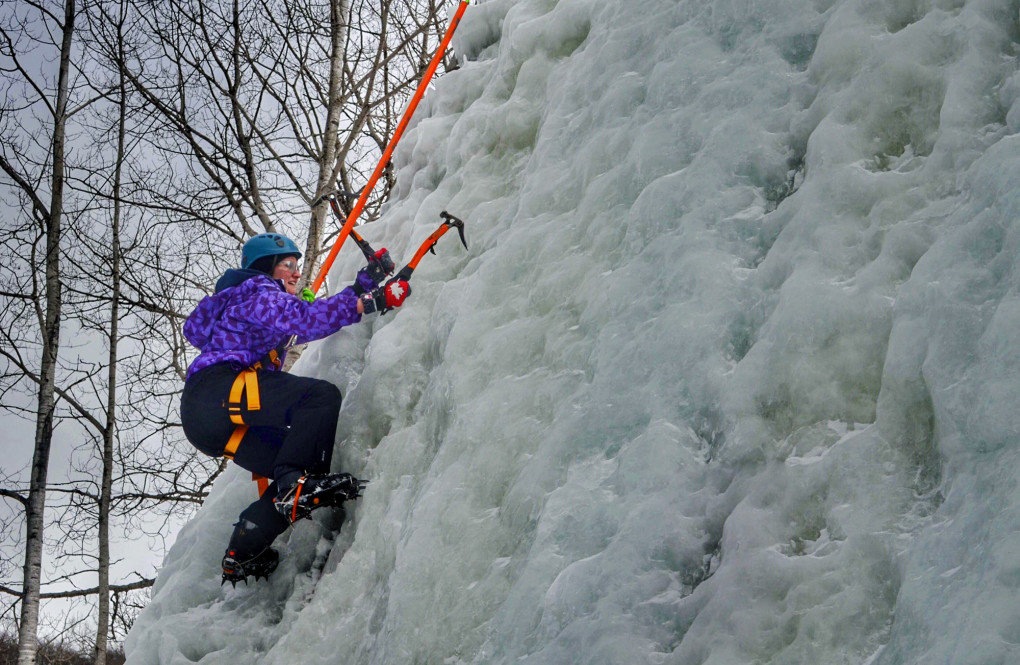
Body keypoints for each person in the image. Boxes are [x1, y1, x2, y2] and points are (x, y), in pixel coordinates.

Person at [180, 232, 410, 585]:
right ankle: (293, 485)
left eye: (297, 267)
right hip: (220, 389)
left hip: (208, 421)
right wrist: (372, 302)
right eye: (287, 265)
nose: (295, 273)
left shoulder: (249, 305)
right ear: (264, 269)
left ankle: (244, 549)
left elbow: (305, 322)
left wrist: (364, 285)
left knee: (300, 465)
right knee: (319, 399)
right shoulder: (256, 291)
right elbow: (306, 319)